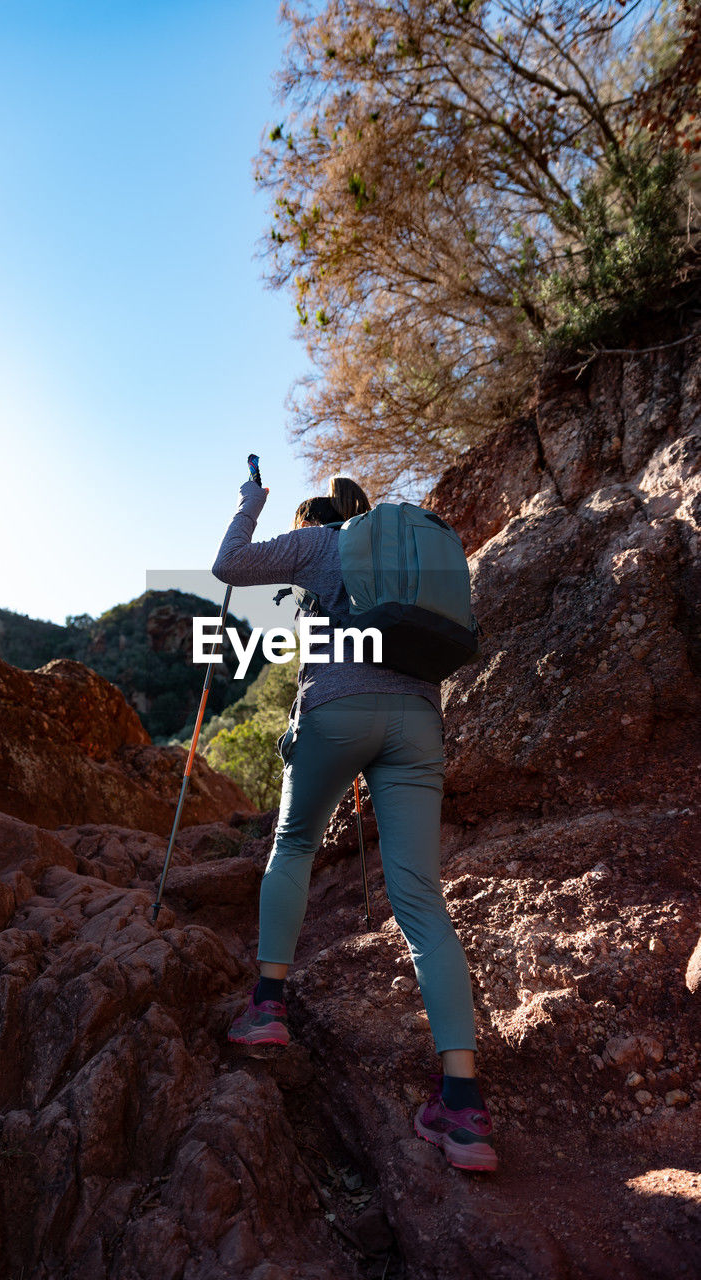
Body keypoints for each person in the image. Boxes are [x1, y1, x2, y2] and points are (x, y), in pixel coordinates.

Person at [211, 475, 497, 1174]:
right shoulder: (408, 557)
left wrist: (251, 500)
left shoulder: (316, 541)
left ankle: (268, 1006)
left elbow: (229, 565)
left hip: (337, 712)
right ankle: (464, 1105)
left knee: (294, 842)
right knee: (422, 901)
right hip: (417, 727)